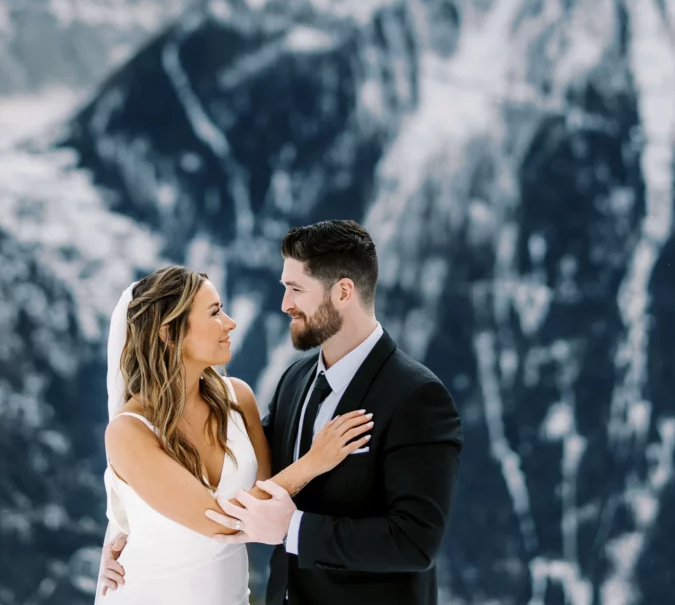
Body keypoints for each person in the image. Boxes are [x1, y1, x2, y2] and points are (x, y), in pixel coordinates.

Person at [204, 219, 464, 605]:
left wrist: (294, 528)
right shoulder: (294, 379)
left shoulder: (418, 397)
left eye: (296, 289)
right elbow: (242, 471)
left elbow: (415, 543)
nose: (284, 304)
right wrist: (143, 533)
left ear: (344, 291)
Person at [95, 264, 374, 603]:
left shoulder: (238, 398)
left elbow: (269, 499)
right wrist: (316, 460)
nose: (231, 323)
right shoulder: (128, 431)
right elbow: (221, 524)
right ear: (169, 333)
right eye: (215, 313)